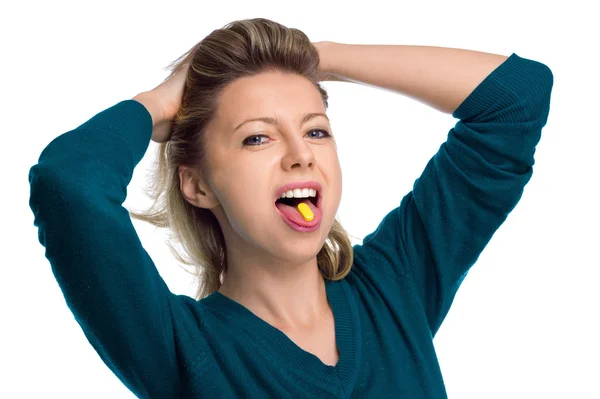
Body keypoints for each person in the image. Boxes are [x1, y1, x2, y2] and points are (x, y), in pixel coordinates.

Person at [28, 17, 553, 398]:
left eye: (316, 130)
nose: (301, 155)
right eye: (258, 139)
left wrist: (314, 57)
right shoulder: (184, 350)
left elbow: (517, 98)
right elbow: (68, 185)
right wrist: (160, 101)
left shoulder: (397, 287)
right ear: (198, 186)